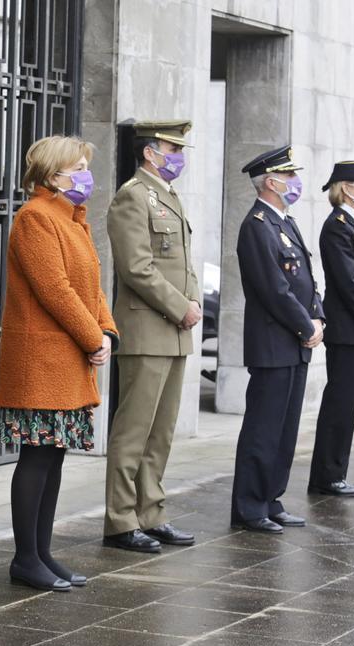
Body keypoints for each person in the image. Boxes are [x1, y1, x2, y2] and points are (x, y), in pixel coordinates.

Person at [0, 135, 118, 588]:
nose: (86, 175)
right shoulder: (36, 218)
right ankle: (26, 558)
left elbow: (92, 288)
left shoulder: (73, 219)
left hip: (68, 356)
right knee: (36, 455)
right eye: (78, 167)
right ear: (51, 176)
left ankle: (42, 553)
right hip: (42, 360)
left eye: (87, 165)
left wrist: (106, 331)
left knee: (53, 456)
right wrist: (92, 337)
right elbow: (56, 290)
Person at [103, 120, 200, 553]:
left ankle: (151, 512)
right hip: (147, 328)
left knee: (161, 433)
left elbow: (184, 265)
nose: (177, 156)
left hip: (175, 333)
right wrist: (182, 307)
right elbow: (137, 267)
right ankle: (121, 520)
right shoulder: (132, 196)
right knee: (133, 432)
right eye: (170, 148)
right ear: (149, 152)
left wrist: (191, 304)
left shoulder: (168, 196)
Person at [232, 145, 322, 534]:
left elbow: (306, 279)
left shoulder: (285, 222)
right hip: (274, 343)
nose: (295, 183)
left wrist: (317, 315)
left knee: (285, 430)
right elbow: (274, 289)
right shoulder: (256, 226)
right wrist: (306, 326)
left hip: (296, 344)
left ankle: (272, 497)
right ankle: (250, 506)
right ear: (270, 182)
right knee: (263, 429)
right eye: (289, 177)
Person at [308, 161, 354, 496]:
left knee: (347, 402)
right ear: (346, 187)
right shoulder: (337, 225)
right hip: (347, 326)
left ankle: (336, 471)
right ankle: (327, 476)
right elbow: (347, 282)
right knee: (340, 402)